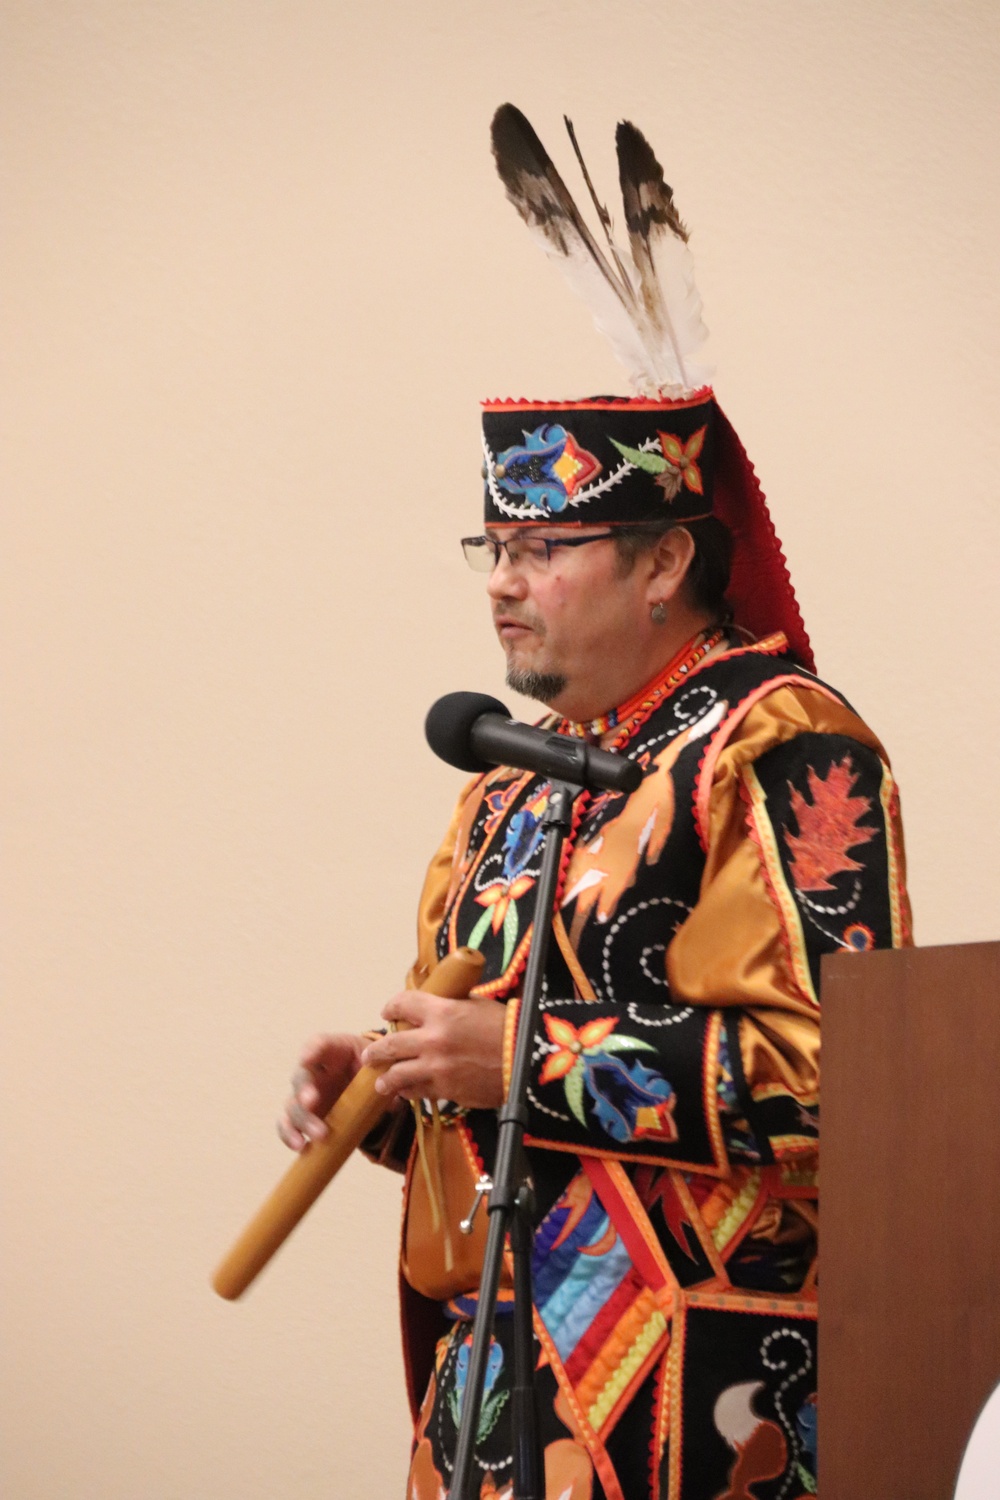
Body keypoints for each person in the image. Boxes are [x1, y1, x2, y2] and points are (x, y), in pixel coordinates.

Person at [277, 109, 911, 1500]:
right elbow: (522, 1101)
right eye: (490, 546)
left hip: (701, 1411)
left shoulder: (782, 744)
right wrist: (401, 1100)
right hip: (500, 1401)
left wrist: (517, 1060)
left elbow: (841, 1088)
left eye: (545, 545)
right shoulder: (512, 771)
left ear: (665, 560)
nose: (501, 581)